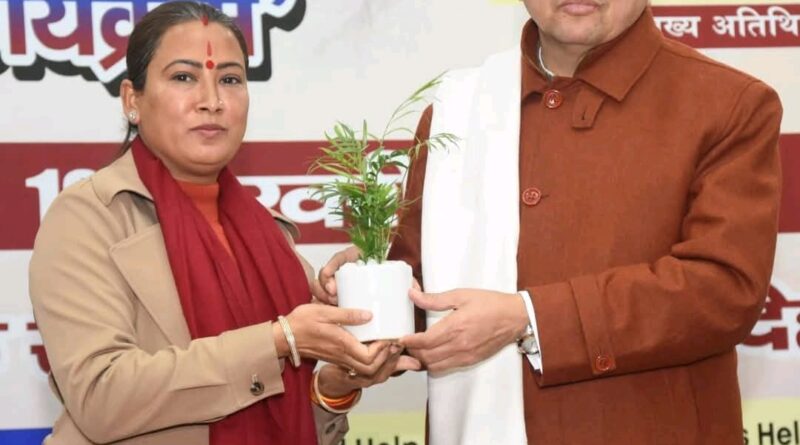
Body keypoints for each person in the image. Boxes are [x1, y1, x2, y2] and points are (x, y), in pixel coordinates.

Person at [317, 1, 783, 443]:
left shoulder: (727, 104)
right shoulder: (456, 110)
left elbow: (723, 290)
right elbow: (426, 298)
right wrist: (373, 291)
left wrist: (529, 319)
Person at [28, 2, 419, 444]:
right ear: (132, 100)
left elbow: (287, 417)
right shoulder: (89, 217)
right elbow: (101, 398)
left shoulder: (268, 235)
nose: (212, 101)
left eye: (230, 80)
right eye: (183, 77)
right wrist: (278, 341)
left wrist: (333, 387)